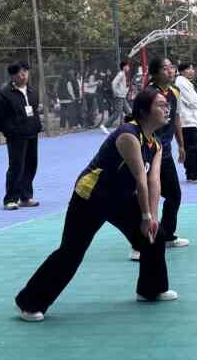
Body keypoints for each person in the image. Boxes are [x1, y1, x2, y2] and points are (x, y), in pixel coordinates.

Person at [14, 88, 177, 322]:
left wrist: (152, 217)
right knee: (72, 251)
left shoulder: (155, 143)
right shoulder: (128, 135)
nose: (167, 108)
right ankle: (29, 303)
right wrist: (144, 216)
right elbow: (141, 180)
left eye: (166, 104)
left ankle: (150, 290)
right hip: (92, 196)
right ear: (143, 111)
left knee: (154, 235)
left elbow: (154, 182)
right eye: (161, 104)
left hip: (121, 197)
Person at [139, 58, 188, 261]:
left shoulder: (175, 91)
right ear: (155, 73)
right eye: (165, 68)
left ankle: (166, 235)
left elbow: (175, 118)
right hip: (147, 150)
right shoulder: (148, 94)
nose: (170, 71)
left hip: (165, 151)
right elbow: (139, 120)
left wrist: (181, 145)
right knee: (145, 196)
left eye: (171, 67)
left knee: (174, 194)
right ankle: (139, 243)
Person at [0, 61, 42, 211]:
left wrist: (36, 126)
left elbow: (34, 110)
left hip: (32, 134)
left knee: (31, 165)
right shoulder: (4, 95)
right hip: (16, 137)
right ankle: (10, 199)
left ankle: (26, 197)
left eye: (26, 72)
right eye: (20, 73)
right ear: (13, 76)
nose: (24, 75)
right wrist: (10, 131)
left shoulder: (33, 91)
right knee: (16, 167)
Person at [108, 60, 132, 129]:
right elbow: (113, 83)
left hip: (122, 96)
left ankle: (131, 126)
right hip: (119, 96)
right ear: (124, 67)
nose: (129, 68)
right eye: (127, 66)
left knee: (129, 112)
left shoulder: (124, 74)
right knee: (117, 113)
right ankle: (105, 125)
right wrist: (115, 92)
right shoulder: (121, 74)